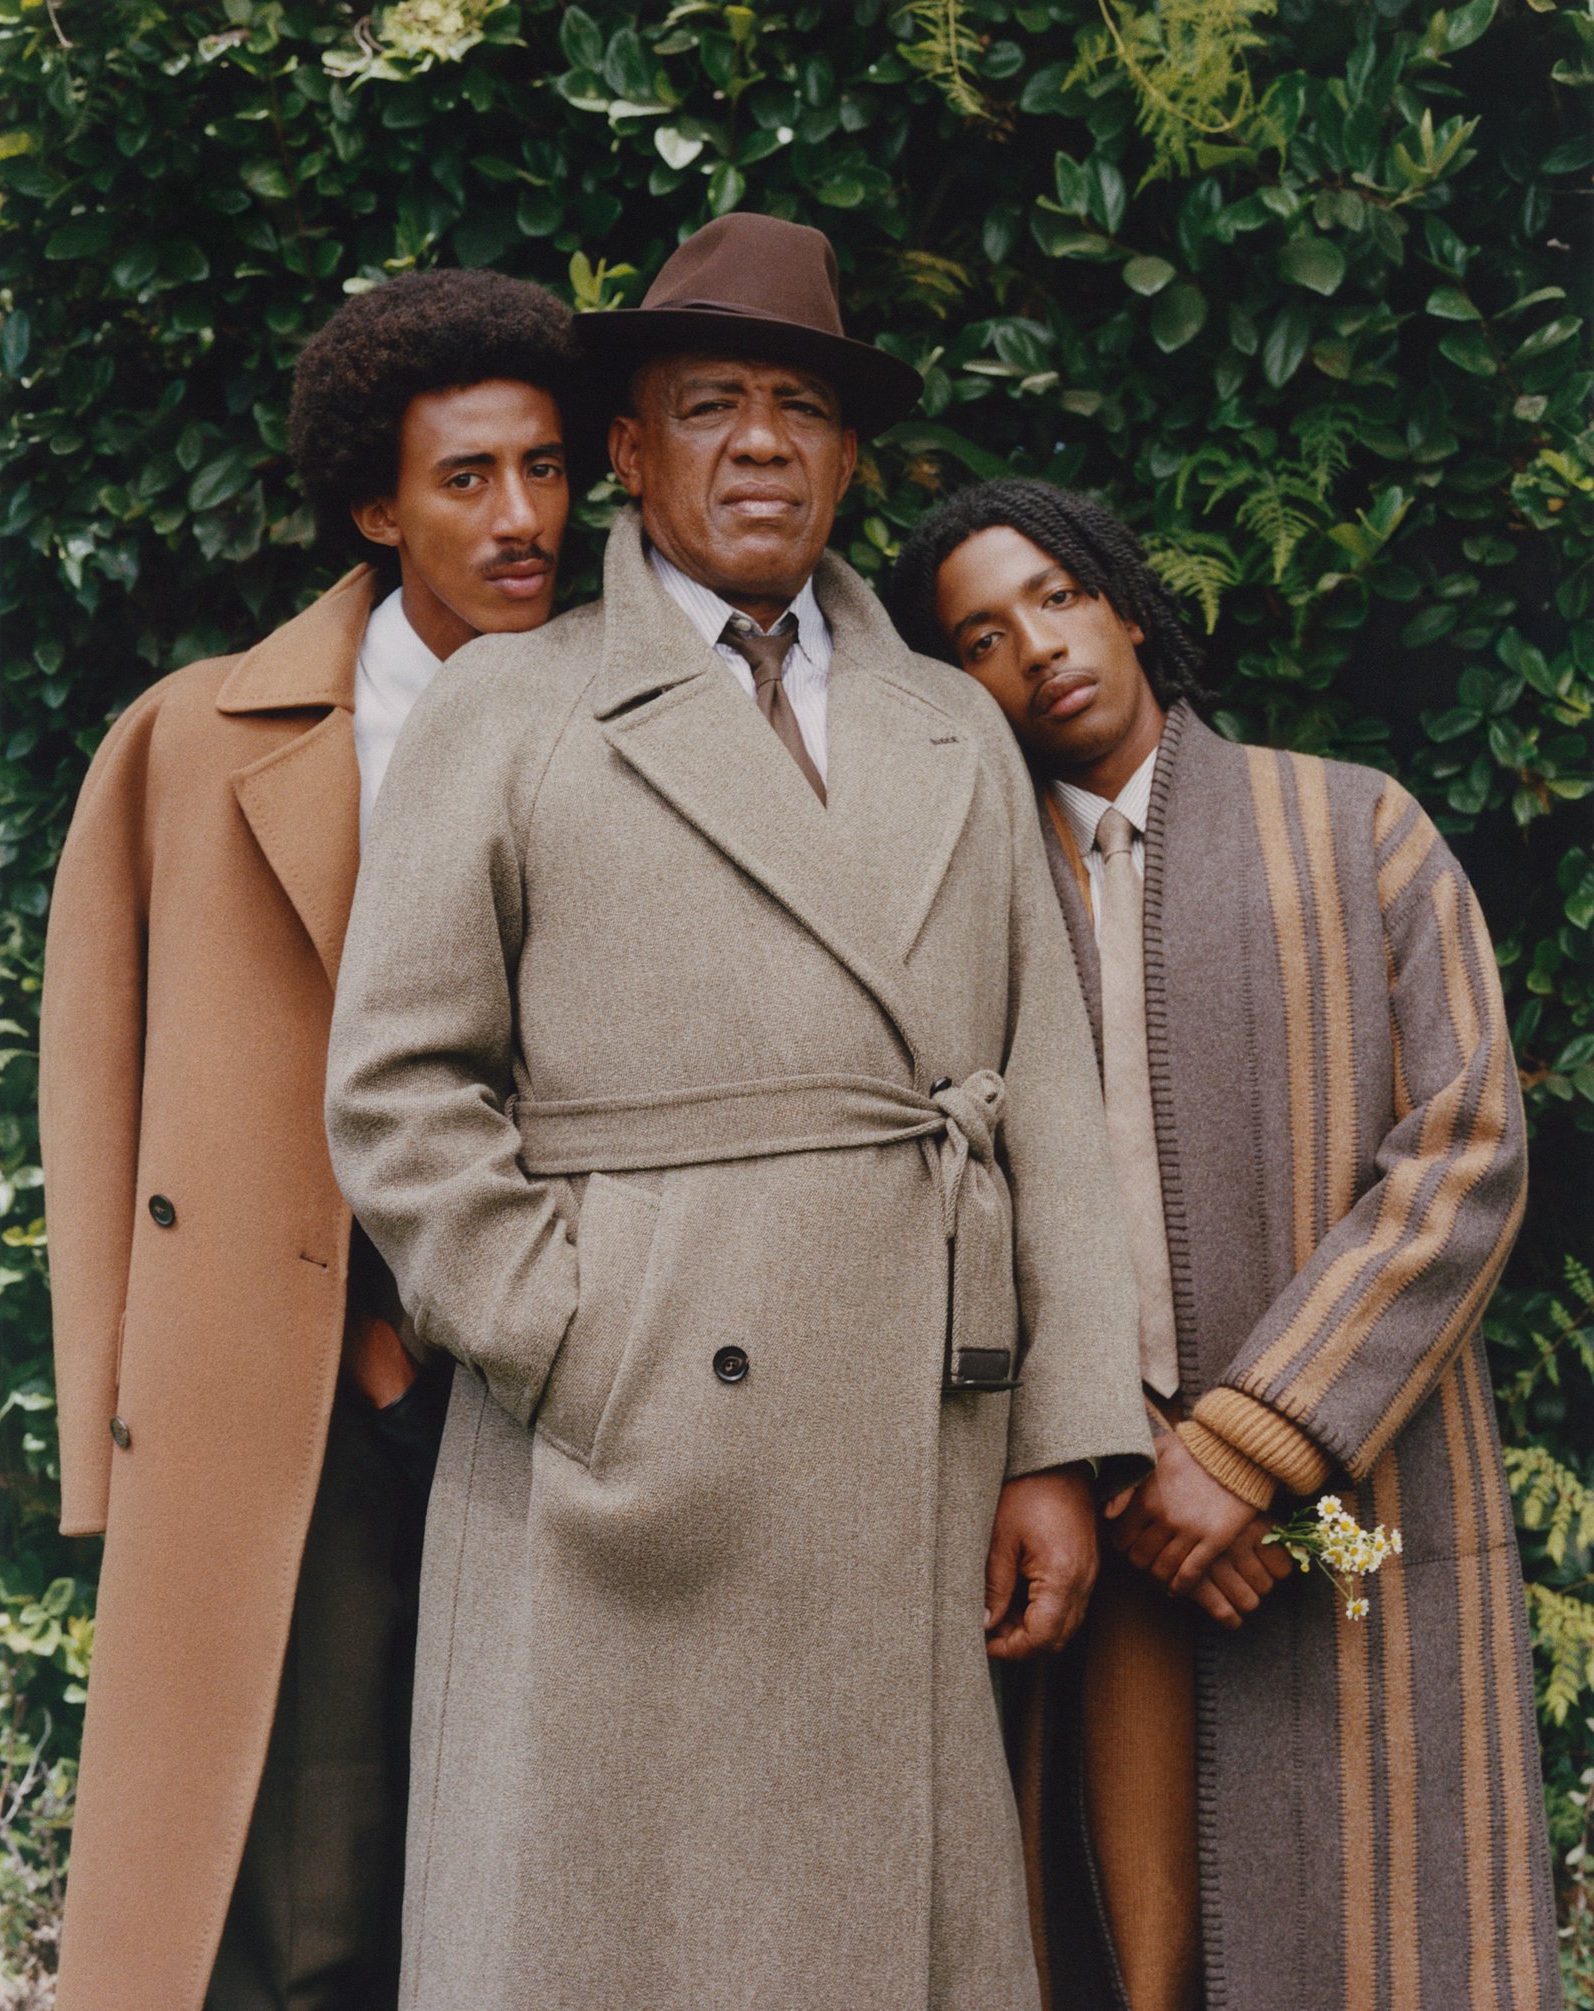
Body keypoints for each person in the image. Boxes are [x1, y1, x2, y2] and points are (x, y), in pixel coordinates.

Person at [324, 213, 1152, 2011]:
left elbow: (1048, 1100)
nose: (763, 443)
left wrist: (1061, 1444)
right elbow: (399, 1086)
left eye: (803, 410)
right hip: (616, 1450)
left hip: (915, 1439)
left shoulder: (953, 725)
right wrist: (573, 1337)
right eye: (712, 406)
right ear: (631, 454)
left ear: (848, 463)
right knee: (604, 1938)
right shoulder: (510, 707)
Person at [889, 478, 1561, 2011]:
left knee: (1383, 1910)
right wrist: (1135, 1454)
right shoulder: (956, 906)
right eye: (980, 637)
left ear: (1128, 605)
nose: (1035, 648)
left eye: (1057, 596)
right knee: (1130, 1946)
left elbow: (1468, 1146)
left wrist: (1252, 1448)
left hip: (1357, 1516)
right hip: (1105, 1509)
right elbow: (935, 1188)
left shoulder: (1356, 825)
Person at [38, 267, 580, 2011]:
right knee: (307, 1892)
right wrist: (117, 1432)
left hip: (570, 1368)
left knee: (549, 1866)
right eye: (467, 478)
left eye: (548, 469)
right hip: (284, 1379)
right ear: (376, 506)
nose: (523, 519)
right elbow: (96, 1090)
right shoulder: (190, 739)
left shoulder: (638, 721)